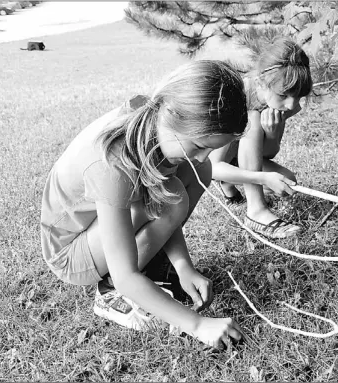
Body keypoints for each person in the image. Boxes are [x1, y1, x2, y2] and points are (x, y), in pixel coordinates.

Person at [40, 60, 248, 349]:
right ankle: (111, 294)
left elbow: (161, 193)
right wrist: (197, 324)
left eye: (211, 148)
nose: (203, 155)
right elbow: (127, 272)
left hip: (103, 228)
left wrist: (183, 266)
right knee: (173, 199)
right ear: (174, 117)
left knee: (199, 172)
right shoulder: (112, 162)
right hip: (72, 254)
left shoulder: (157, 123)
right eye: (200, 145)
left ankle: (153, 264)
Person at [209, 37, 313, 239]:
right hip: (209, 159)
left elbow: (267, 153)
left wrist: (272, 132)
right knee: (252, 118)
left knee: (288, 182)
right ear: (260, 83)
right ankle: (255, 211)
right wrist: (262, 177)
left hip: (237, 157)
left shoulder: (287, 105)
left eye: (298, 96)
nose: (292, 105)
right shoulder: (235, 95)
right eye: (284, 95)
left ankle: (229, 184)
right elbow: (211, 165)